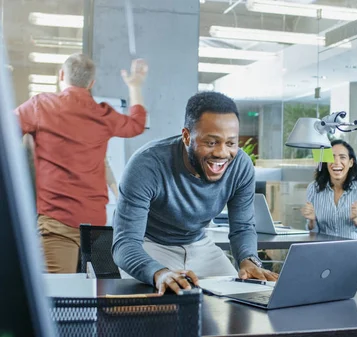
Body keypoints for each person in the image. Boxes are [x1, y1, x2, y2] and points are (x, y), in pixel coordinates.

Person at [112, 91, 278, 295]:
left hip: (200, 244)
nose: (222, 153)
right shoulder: (146, 165)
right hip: (152, 246)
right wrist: (159, 273)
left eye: (231, 143)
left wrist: (248, 259)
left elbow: (242, 226)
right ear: (186, 136)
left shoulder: (241, 166)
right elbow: (125, 244)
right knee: (165, 305)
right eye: (211, 142)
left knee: (243, 296)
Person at [15, 54, 148, 273]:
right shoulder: (102, 114)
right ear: (91, 83)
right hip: (95, 226)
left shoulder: (41, 106)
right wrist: (135, 86)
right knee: (97, 295)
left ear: (61, 75)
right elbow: (137, 124)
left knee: (59, 298)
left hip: (57, 222)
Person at [300, 139, 357, 239]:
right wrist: (312, 221)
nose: (336, 162)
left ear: (351, 162)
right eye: (331, 157)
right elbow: (312, 234)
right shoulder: (314, 188)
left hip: (353, 251)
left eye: (342, 157)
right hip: (325, 250)